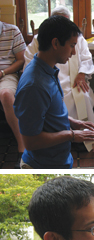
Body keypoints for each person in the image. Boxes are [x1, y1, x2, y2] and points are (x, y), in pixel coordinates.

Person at [14, 16, 94, 169]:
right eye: (72, 45)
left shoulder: (48, 70)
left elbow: (46, 113)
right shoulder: (34, 85)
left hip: (58, 159)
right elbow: (31, 141)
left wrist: (72, 122)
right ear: (55, 43)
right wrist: (72, 135)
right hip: (43, 165)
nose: (74, 52)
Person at [23, 6, 94, 126]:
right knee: (59, 98)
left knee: (82, 96)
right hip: (50, 81)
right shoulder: (39, 41)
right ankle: (68, 134)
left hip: (74, 80)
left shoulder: (77, 38)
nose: (73, 52)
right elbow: (30, 65)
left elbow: (86, 57)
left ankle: (83, 132)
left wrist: (82, 73)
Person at [0, 20, 26, 168]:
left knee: (6, 94)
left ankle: (22, 146)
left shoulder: (12, 31)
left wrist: (3, 72)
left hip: (7, 73)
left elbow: (21, 60)